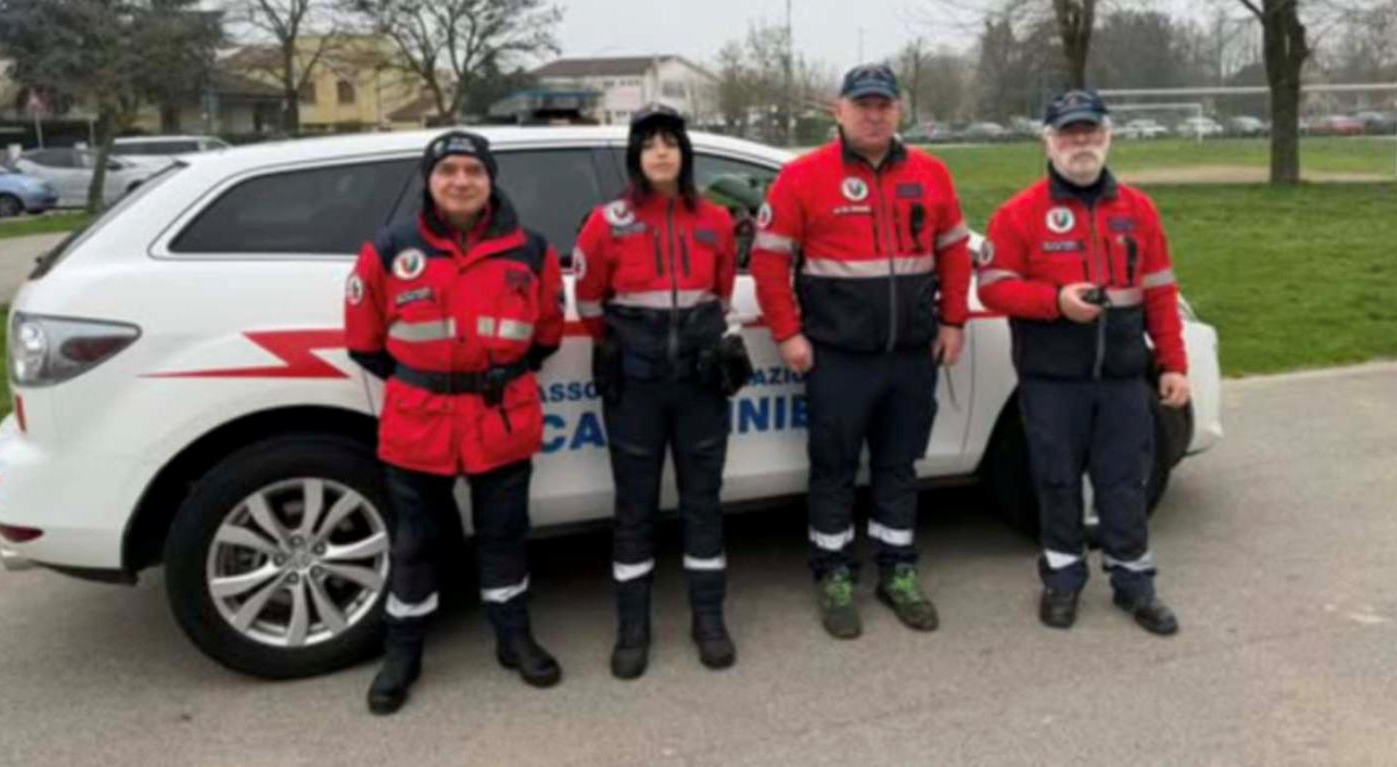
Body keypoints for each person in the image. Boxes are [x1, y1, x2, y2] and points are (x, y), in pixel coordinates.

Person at [344, 130, 566, 715]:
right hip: (421, 420)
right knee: (417, 543)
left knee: (505, 537)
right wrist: (431, 380)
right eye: (448, 171)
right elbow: (365, 342)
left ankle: (513, 637)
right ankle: (404, 653)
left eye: (473, 169)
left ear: (490, 179)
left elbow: (545, 334)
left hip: (501, 416)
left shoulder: (531, 251)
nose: (461, 180)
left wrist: (488, 376)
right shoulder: (390, 248)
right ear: (430, 180)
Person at [751, 63, 972, 639]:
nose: (874, 115)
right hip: (838, 356)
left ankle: (897, 571)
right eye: (862, 105)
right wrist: (788, 334)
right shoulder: (803, 177)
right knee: (834, 469)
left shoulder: (931, 173)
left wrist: (954, 320)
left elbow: (953, 251)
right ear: (839, 111)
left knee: (900, 467)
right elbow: (769, 261)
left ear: (899, 111)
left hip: (910, 354)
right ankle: (834, 574)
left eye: (884, 105)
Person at [976, 89, 1191, 636]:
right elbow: (994, 288)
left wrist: (1172, 364)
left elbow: (1160, 292)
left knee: (1123, 483)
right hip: (1052, 380)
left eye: (1090, 131)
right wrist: (1054, 303)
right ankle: (1062, 581)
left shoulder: (1137, 210)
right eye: (1069, 133)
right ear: (1047, 141)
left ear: (1108, 136)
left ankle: (1134, 584)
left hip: (1121, 379)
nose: (1081, 143)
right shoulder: (1019, 214)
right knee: (1056, 481)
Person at [574, 105, 746, 679]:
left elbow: (720, 294)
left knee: (703, 503)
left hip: (699, 383)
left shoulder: (716, 220)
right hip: (636, 384)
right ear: (636, 157)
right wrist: (636, 346)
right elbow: (590, 302)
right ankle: (633, 625)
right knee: (634, 507)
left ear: (685, 154)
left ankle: (708, 619)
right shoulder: (607, 222)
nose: (662, 152)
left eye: (671, 142)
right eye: (649, 144)